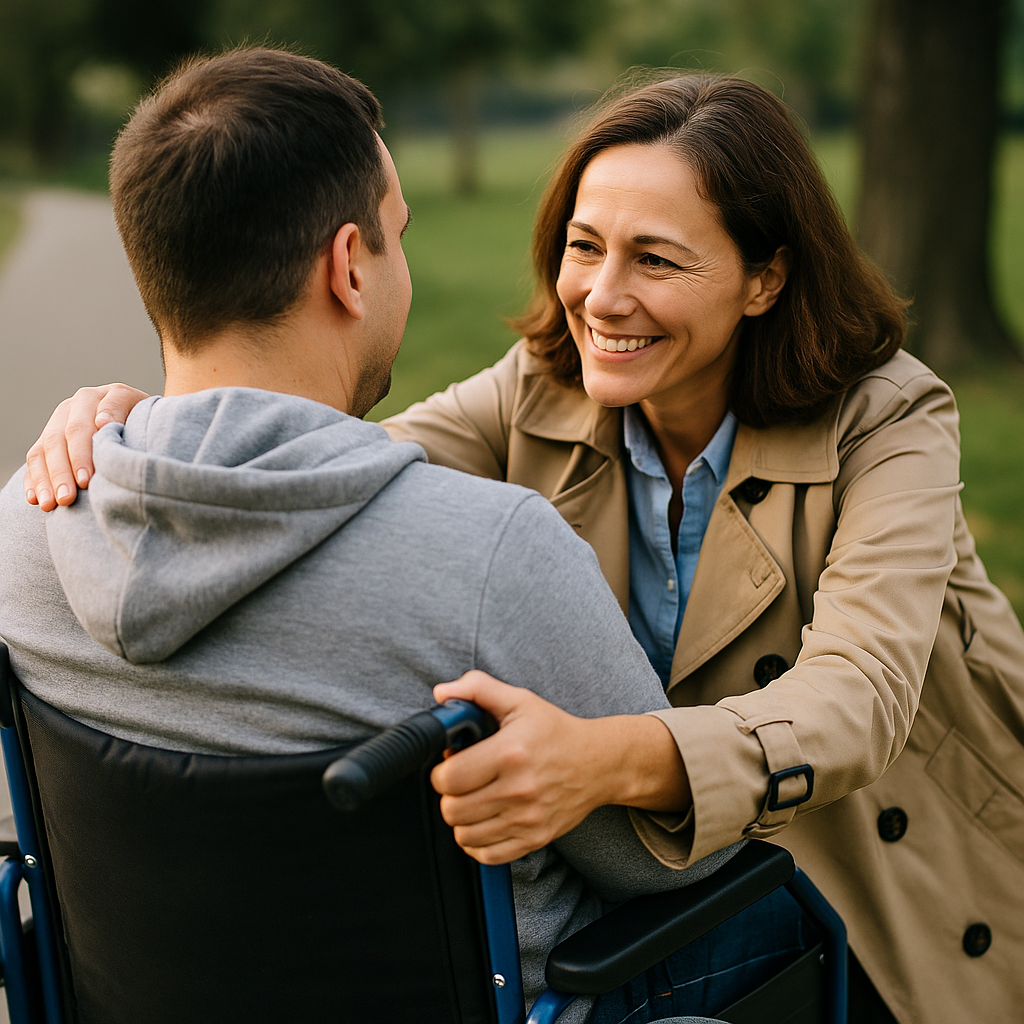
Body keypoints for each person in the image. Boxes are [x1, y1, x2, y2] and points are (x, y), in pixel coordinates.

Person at [23, 73, 1024, 1024]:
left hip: (899, 868)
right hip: (697, 856)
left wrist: (606, 758)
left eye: (657, 259)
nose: (599, 295)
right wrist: (153, 443)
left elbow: (856, 698)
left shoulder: (890, 418)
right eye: (584, 246)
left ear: (763, 278)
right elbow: (328, 476)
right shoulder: (537, 386)